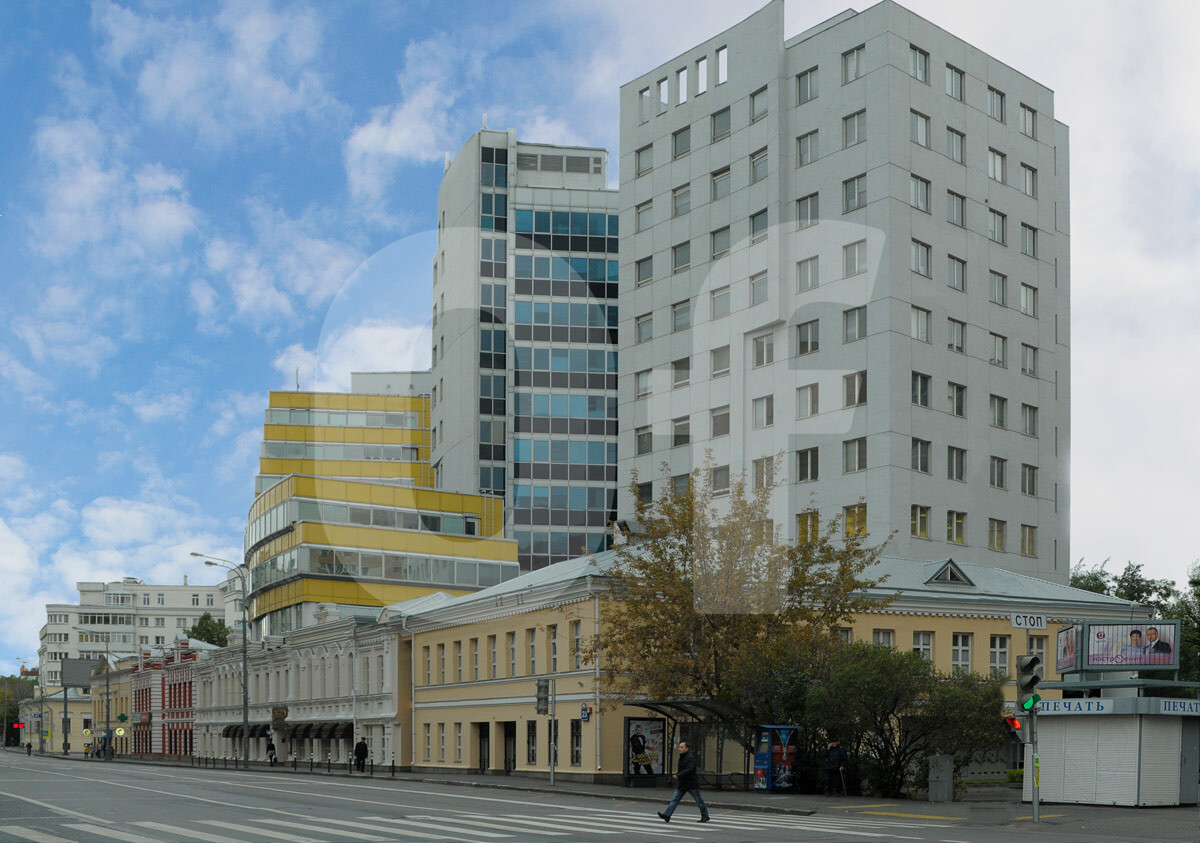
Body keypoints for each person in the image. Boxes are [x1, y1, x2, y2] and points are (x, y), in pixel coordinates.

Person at [657, 741, 710, 824]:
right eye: (679, 747)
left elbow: (690, 769)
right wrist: (679, 775)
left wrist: (678, 775)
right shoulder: (682, 757)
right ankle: (667, 815)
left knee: (699, 800)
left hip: (691, 783)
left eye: (681, 747)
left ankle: (705, 816)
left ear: (687, 748)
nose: (679, 749)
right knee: (675, 799)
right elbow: (683, 769)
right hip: (682, 783)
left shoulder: (690, 758)